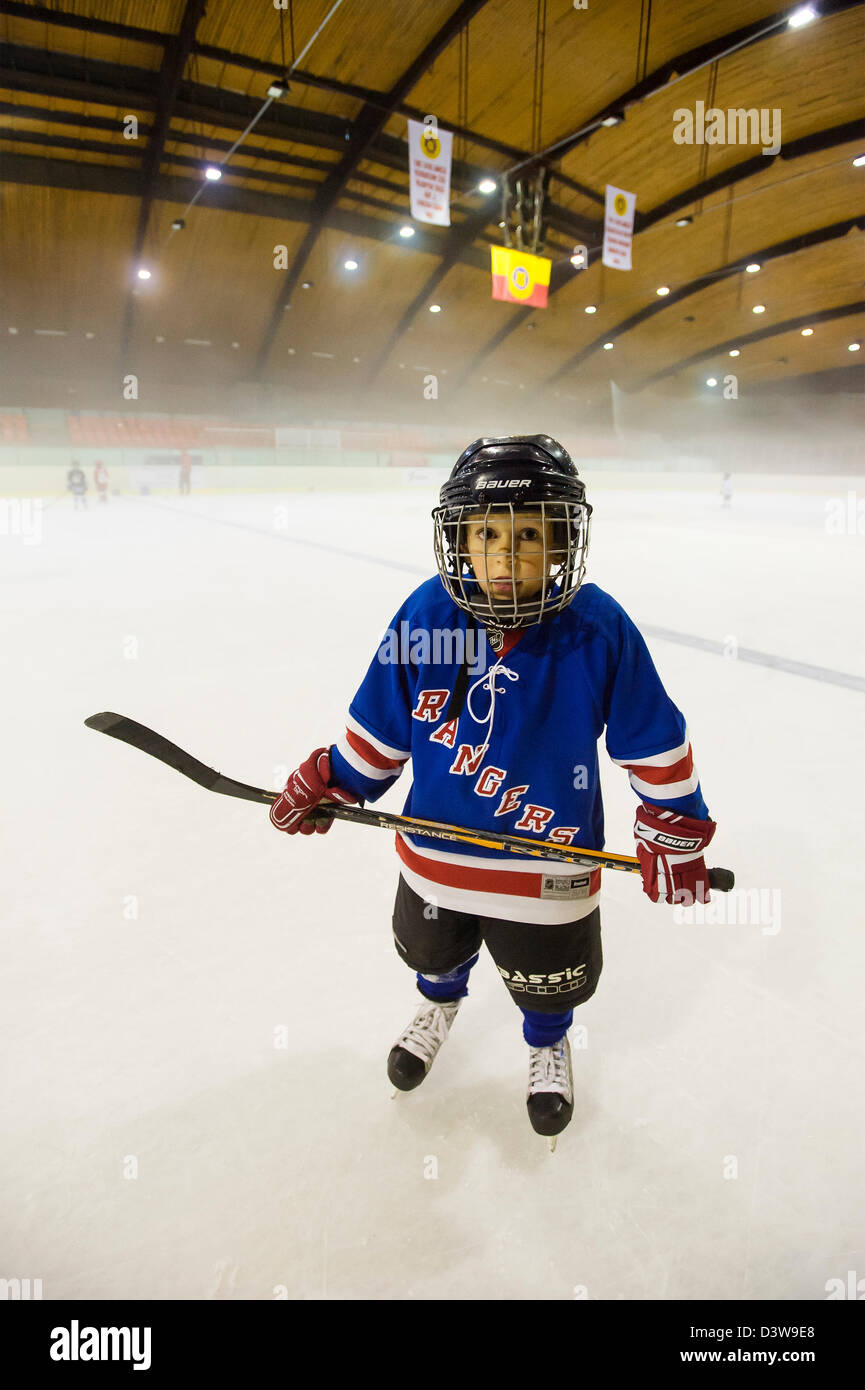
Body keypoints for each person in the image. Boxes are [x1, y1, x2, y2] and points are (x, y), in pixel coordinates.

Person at [269, 436, 717, 1143]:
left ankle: (545, 1042)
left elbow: (651, 740)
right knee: (431, 954)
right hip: (435, 860)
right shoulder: (427, 616)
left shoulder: (594, 629)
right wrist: (338, 780)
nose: (505, 556)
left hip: (548, 868)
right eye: (485, 533)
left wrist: (673, 824)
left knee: (550, 981)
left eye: (530, 534)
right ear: (459, 539)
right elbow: (383, 728)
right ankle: (439, 1006)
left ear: (564, 538)